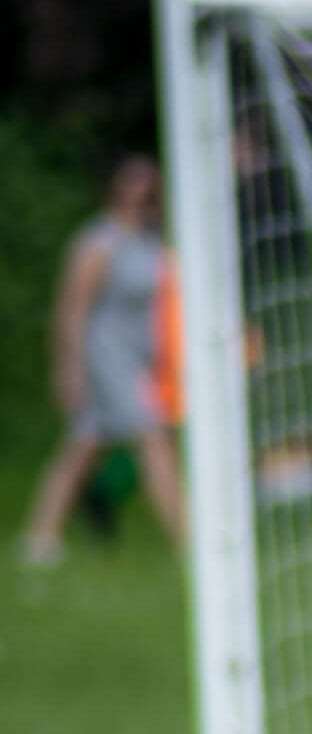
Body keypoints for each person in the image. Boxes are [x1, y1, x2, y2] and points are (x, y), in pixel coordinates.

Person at [20, 155, 184, 564]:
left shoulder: (151, 242)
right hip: (105, 358)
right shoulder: (97, 243)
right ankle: (189, 539)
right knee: (154, 436)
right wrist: (68, 372)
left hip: (139, 358)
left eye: (150, 188)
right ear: (115, 189)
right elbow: (70, 311)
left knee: (84, 445)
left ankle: (39, 539)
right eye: (135, 186)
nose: (143, 196)